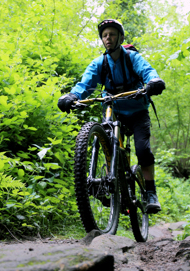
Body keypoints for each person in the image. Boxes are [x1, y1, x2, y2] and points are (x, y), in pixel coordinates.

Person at [57, 19, 165, 214]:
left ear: (121, 38)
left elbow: (147, 72)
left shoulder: (132, 58)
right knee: (107, 138)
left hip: (138, 112)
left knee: (143, 150)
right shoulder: (100, 63)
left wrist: (153, 81)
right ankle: (111, 183)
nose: (108, 38)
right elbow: (86, 84)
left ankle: (150, 192)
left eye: (112, 34)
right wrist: (72, 96)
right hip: (113, 108)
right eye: (105, 35)